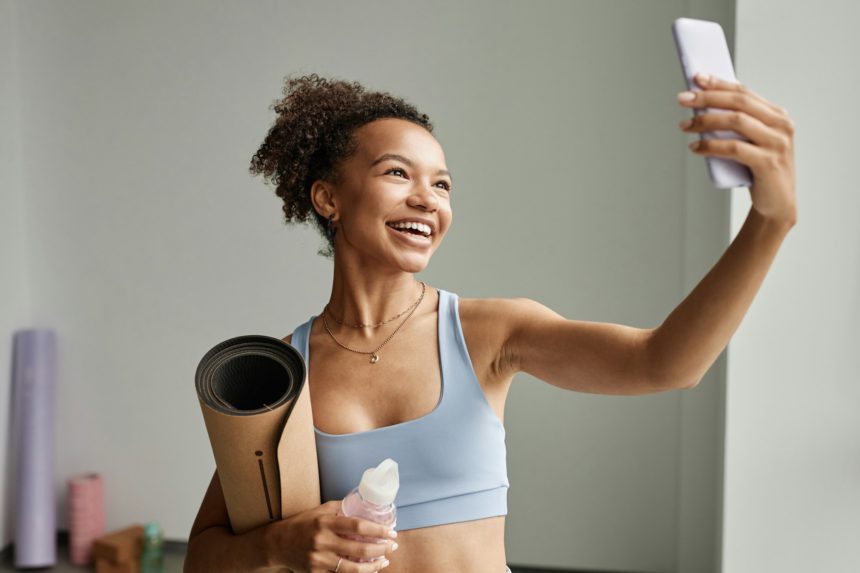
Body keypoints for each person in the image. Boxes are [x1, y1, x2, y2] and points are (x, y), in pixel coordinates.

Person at [183, 72, 796, 573]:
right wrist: (277, 548)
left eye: (442, 184)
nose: (428, 198)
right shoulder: (283, 371)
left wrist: (770, 222)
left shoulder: (491, 333)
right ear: (328, 199)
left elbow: (666, 363)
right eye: (398, 173)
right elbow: (204, 554)